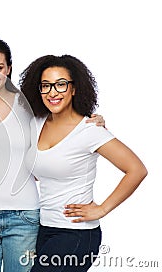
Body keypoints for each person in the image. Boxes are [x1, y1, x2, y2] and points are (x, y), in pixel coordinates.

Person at [0, 38, 105, 272]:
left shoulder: (30, 106)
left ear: (8, 68)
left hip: (24, 217)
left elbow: (62, 126)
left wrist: (94, 119)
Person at [19, 54, 147, 271]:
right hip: (44, 228)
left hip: (77, 233)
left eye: (61, 85)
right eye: (46, 86)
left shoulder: (89, 130)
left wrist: (102, 209)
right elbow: (39, 171)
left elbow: (136, 169)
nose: (53, 92)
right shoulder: (36, 123)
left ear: (74, 89)